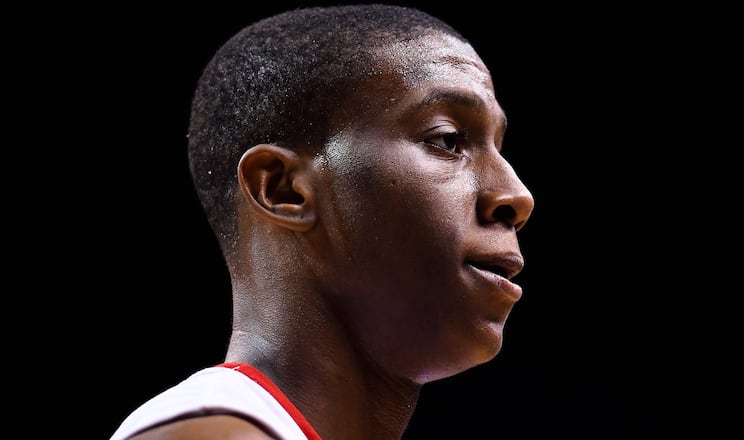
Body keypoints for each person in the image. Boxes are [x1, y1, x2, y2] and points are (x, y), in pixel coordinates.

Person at [109, 4, 535, 440]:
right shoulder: (217, 431)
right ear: (283, 190)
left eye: (500, 148)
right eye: (447, 140)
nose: (517, 196)